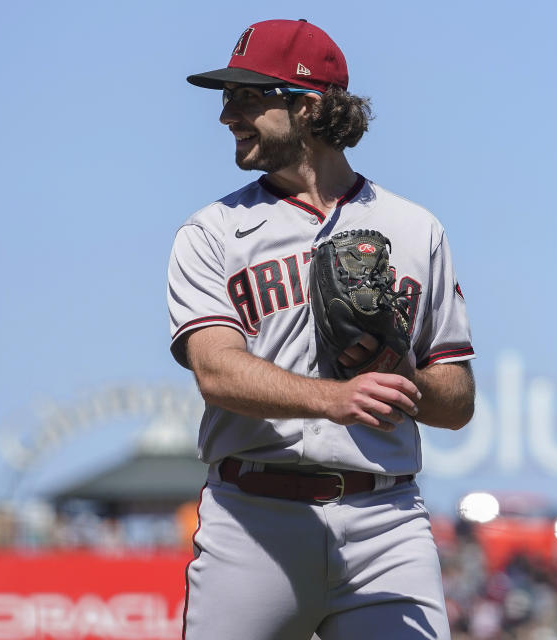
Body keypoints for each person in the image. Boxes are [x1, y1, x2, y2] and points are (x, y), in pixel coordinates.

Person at [167, 18, 476, 640]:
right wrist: (333, 398)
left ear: (309, 107)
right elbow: (215, 370)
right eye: (227, 97)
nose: (227, 114)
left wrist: (401, 377)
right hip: (254, 516)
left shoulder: (416, 230)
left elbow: (458, 400)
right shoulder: (212, 232)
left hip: (386, 518)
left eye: (248, 97)